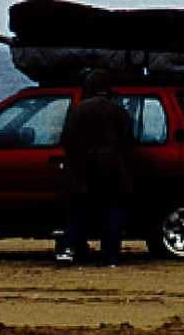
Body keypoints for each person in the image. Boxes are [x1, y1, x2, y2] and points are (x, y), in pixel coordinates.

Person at [57, 70, 135, 265]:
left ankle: (68, 249)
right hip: (115, 170)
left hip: (83, 169)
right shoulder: (119, 111)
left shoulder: (79, 109)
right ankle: (111, 257)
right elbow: (129, 141)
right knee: (112, 213)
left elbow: (67, 139)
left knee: (77, 209)